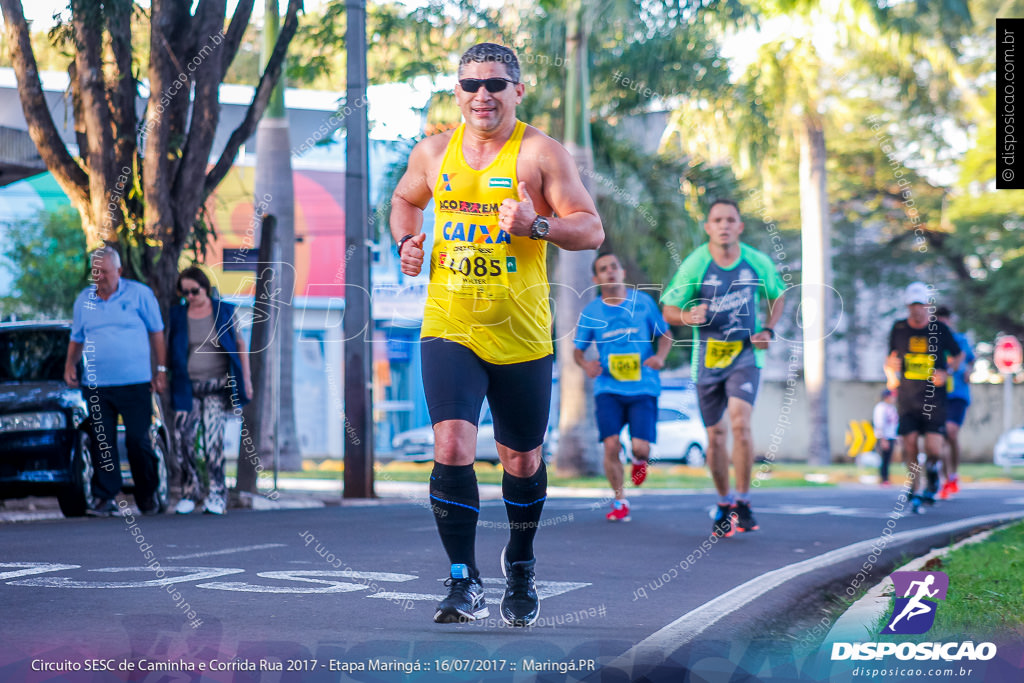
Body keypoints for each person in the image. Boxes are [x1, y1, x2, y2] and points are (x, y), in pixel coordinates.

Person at [389, 43, 603, 626]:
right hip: (450, 325)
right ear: (456, 91)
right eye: (469, 84)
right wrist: (407, 243)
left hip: (522, 332)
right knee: (452, 444)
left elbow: (590, 230)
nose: (482, 94)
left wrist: (536, 224)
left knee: (522, 458)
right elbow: (405, 201)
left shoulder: (540, 153)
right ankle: (463, 580)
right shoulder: (434, 151)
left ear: (517, 91)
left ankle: (522, 565)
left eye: (496, 84)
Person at [660, 199, 785, 537]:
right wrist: (687, 316)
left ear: (740, 227)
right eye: (718, 220)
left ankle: (744, 500)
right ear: (708, 227)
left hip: (746, 356)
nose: (724, 225)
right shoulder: (696, 264)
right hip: (708, 360)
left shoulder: (756, 262)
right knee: (715, 436)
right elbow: (669, 308)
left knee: (741, 424)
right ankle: (724, 502)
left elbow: (779, 294)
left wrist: (768, 329)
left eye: (731, 219)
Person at [64, 246, 167, 516]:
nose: (100, 278)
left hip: (135, 383)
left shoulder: (140, 295)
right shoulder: (83, 300)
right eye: (95, 272)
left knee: (138, 441)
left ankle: (147, 494)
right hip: (97, 384)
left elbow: (157, 332)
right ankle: (104, 496)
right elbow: (77, 338)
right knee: (102, 441)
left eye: (105, 272)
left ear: (119, 271)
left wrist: (161, 369)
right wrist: (69, 366)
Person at [573, 252, 672, 522]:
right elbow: (578, 351)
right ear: (596, 278)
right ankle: (619, 500)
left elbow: (665, 335)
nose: (610, 272)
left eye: (614, 266)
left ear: (623, 272)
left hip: (643, 387)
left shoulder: (643, 303)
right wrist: (586, 365)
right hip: (608, 388)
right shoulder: (591, 312)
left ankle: (640, 462)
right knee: (611, 444)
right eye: (603, 269)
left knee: (641, 447)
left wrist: (660, 358)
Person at [167, 266, 252, 515]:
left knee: (213, 441)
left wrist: (245, 380)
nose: (190, 297)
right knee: (185, 441)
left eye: (194, 291)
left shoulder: (223, 311)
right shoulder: (177, 315)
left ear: (205, 288)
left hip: (216, 387)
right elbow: (167, 344)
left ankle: (217, 495)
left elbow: (239, 343)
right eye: (185, 293)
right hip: (186, 387)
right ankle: (190, 492)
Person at [883, 282, 960, 513]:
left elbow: (958, 355)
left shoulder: (940, 330)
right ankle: (915, 488)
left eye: (921, 305)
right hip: (907, 398)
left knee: (934, 449)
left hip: (934, 399)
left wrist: (947, 372)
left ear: (928, 306)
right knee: (909, 445)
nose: (917, 310)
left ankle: (933, 472)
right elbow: (890, 359)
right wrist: (890, 367)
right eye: (913, 305)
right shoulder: (898, 329)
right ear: (908, 306)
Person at [935, 305, 973, 499]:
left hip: (957, 394)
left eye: (945, 320)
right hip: (939, 395)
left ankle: (954, 474)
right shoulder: (934, 341)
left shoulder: (961, 340)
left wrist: (968, 371)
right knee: (938, 440)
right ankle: (944, 480)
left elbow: (970, 361)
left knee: (951, 432)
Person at [873, 388, 899, 486]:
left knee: (888, 459)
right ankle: (884, 478)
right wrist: (883, 439)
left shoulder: (892, 408)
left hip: (891, 436)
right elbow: (879, 423)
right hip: (884, 437)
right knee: (884, 459)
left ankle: (886, 478)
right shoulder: (880, 407)